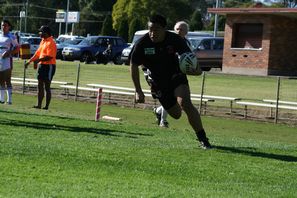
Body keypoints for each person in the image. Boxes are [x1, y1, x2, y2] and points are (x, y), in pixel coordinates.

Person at [130, 14, 211, 149]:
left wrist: (196, 70)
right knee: (176, 115)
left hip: (176, 75)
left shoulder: (175, 40)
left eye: (156, 29)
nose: (152, 33)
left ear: (164, 29)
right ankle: (159, 111)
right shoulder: (142, 44)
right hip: (157, 82)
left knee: (185, 103)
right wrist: (138, 90)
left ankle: (203, 139)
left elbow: (190, 58)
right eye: (150, 29)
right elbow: (133, 66)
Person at [24, 25, 57, 110]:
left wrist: (38, 60)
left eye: (41, 32)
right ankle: (39, 105)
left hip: (49, 66)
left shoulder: (51, 42)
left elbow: (50, 56)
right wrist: (29, 61)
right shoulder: (43, 41)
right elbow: (37, 53)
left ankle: (46, 106)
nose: (39, 33)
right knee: (40, 85)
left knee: (47, 86)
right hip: (42, 65)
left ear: (45, 33)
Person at [0, 20, 20, 105]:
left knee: (7, 80)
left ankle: (9, 100)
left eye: (5, 25)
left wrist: (8, 53)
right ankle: (1, 99)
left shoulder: (11, 37)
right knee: (0, 80)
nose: (3, 27)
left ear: (9, 27)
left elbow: (17, 48)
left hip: (7, 60)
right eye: (2, 25)